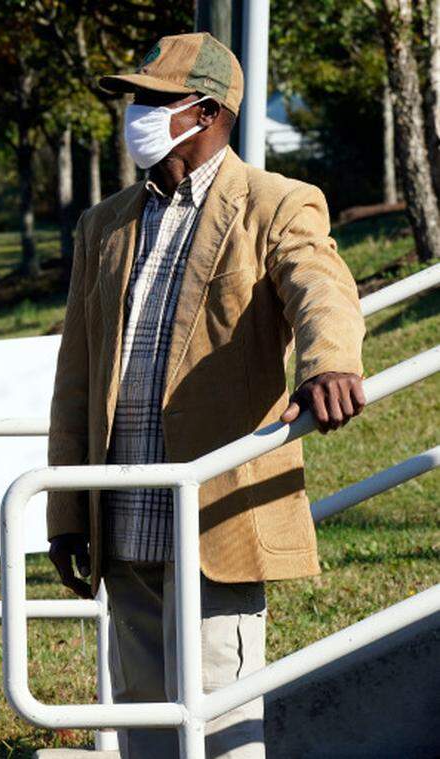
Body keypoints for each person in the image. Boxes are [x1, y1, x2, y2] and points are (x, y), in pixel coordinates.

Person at [46, 33, 366, 759]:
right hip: (123, 515)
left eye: (155, 100)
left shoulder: (274, 203)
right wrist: (67, 507)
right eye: (137, 98)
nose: (137, 113)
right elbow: (76, 374)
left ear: (210, 111)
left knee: (220, 728)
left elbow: (321, 285)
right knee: (145, 729)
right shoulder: (105, 224)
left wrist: (330, 361)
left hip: (215, 517)